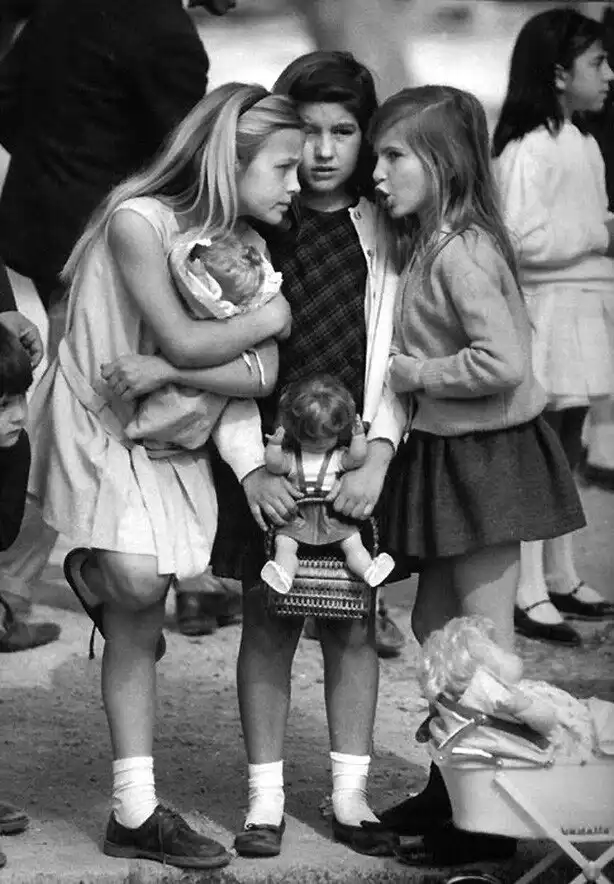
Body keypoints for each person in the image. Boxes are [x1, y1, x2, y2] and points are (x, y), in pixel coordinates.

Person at [27, 82, 304, 869]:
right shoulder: (138, 221)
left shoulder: (239, 244)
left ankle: (134, 813)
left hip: (170, 437)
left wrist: (178, 368)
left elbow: (259, 375)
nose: (296, 183)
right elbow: (189, 340)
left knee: (139, 611)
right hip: (101, 423)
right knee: (139, 582)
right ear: (229, 162)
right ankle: (96, 571)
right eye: (282, 166)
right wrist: (270, 319)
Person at [370, 84, 585, 862]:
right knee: (437, 629)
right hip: (450, 453)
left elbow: (503, 362)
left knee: (483, 643)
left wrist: (415, 373)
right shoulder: (431, 241)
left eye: (394, 157)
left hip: (488, 459)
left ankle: (489, 823)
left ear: (444, 163)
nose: (377, 174)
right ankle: (452, 783)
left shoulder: (463, 252)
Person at [209, 50, 406, 858]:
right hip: (271, 465)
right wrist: (250, 467)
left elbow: (397, 358)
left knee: (354, 626)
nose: (323, 152)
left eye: (344, 132)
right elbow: (227, 364)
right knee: (268, 624)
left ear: (368, 134)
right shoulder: (256, 230)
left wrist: (379, 455)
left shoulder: (387, 231)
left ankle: (351, 798)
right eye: (310, 132)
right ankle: (265, 802)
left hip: (354, 466)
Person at [0, 0, 239, 636]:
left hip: (48, 220)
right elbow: (185, 158)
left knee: (88, 397)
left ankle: (193, 579)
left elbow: (7, 101)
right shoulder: (166, 31)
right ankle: (9, 591)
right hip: (115, 242)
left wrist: (65, 163)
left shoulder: (60, 6)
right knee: (79, 403)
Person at [492, 8, 614, 647]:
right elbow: (518, 240)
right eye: (598, 62)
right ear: (560, 73)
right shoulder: (527, 149)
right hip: (546, 309)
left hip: (583, 304)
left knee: (570, 442)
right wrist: (596, 235)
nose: (609, 74)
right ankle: (527, 585)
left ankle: (561, 571)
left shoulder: (583, 143)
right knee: (539, 445)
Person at [125, 231, 282, 451]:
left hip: (207, 399)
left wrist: (167, 371)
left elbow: (265, 376)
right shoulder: (166, 243)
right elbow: (184, 348)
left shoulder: (253, 248)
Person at [260, 375, 395, 595]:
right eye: (310, 437)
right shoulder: (293, 458)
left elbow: (357, 458)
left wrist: (358, 436)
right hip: (298, 518)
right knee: (284, 544)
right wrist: (275, 445)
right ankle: (283, 574)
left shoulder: (337, 456)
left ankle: (368, 570)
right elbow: (274, 465)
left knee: (353, 543)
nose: (319, 444)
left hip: (332, 517)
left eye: (328, 436)